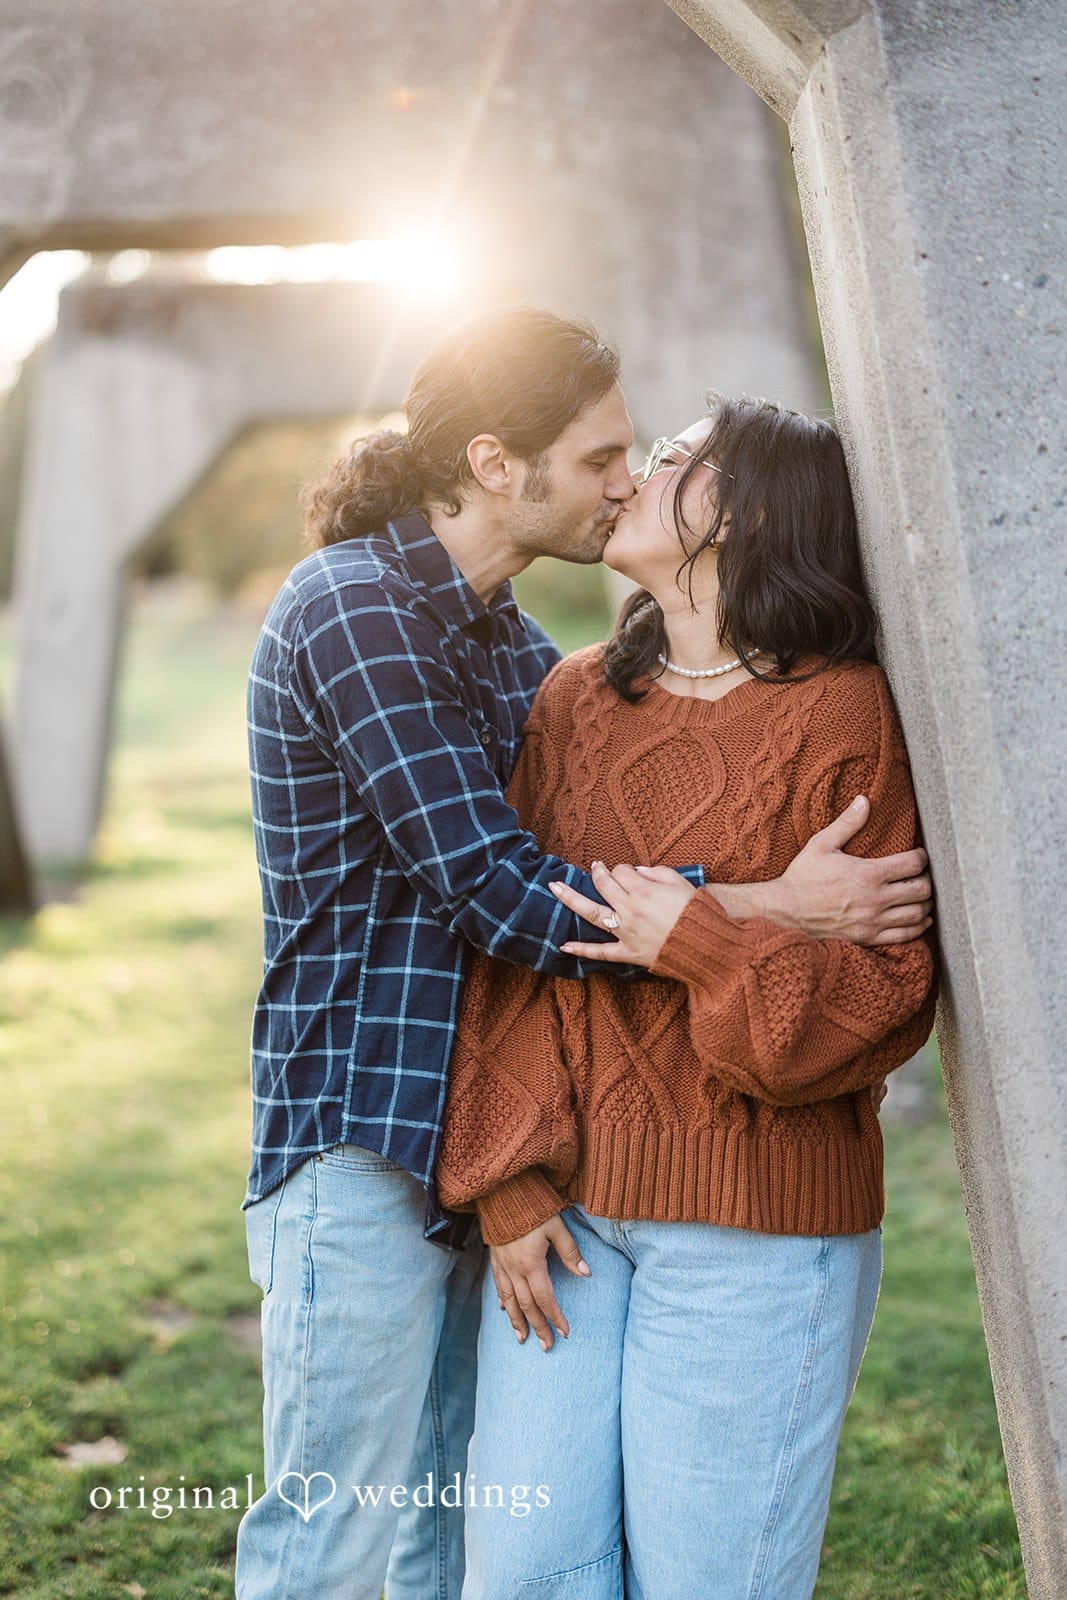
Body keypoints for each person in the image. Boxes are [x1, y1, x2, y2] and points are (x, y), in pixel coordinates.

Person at [235, 308, 935, 1600]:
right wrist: (765, 904)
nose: (624, 476)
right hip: (361, 1132)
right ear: (499, 464)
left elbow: (575, 901)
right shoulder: (369, 615)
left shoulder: (520, 651)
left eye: (654, 457)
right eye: (610, 452)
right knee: (339, 1527)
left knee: (441, 1534)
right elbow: (500, 900)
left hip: (527, 1160)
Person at [436, 396, 939, 1600]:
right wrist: (503, 1181)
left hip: (759, 1233)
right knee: (521, 1575)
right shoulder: (571, 701)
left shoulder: (846, 713)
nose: (636, 474)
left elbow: (881, 994)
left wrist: (706, 945)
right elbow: (509, 943)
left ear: (749, 512)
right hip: (566, 1225)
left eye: (675, 459)